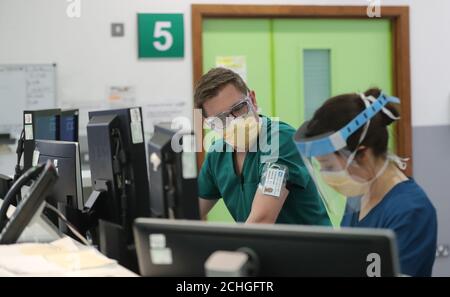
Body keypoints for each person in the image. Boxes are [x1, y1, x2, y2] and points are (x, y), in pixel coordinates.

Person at [294, 88, 437, 276]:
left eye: (329, 166)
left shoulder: (411, 211)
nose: (326, 176)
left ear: (362, 154)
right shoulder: (358, 193)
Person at [194, 67, 330, 226]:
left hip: (310, 249)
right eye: (221, 119)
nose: (234, 121)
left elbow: (261, 220)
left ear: (252, 99)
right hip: (261, 248)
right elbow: (189, 214)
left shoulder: (281, 141)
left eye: (238, 108)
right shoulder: (218, 154)